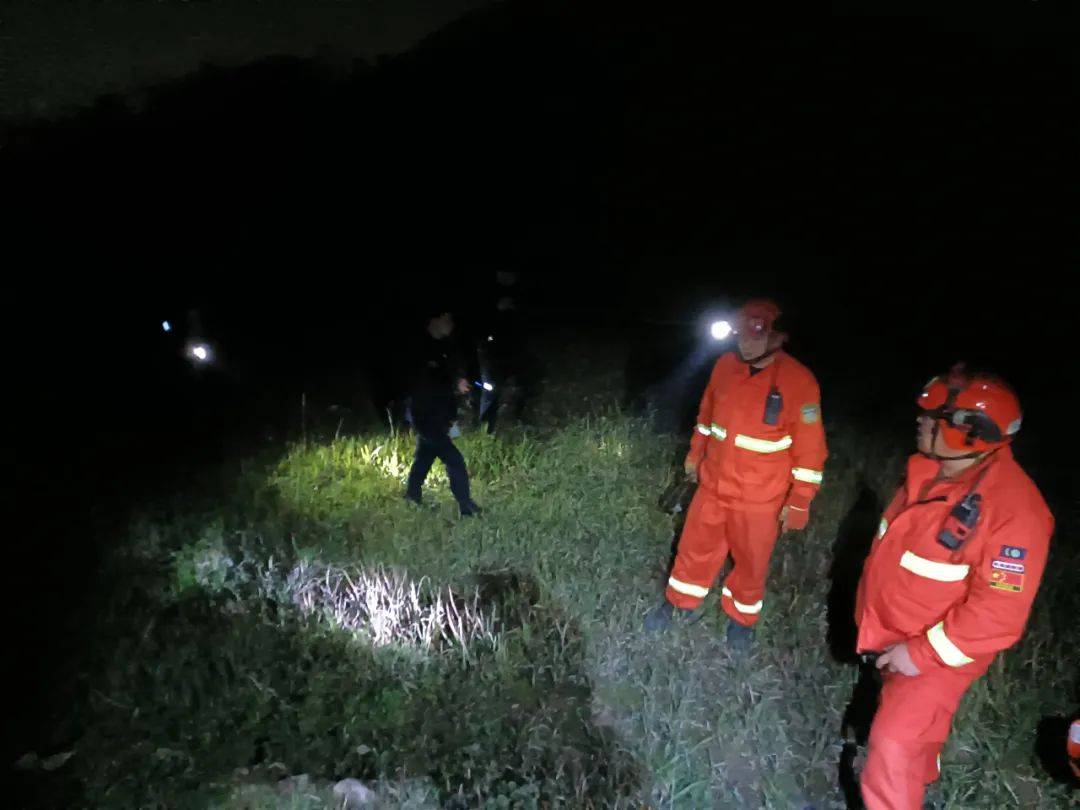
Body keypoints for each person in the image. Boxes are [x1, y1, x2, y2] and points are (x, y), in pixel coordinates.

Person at [854, 365, 1054, 809]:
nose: (921, 421)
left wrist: (920, 653)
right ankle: (918, 778)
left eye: (933, 417)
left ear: (970, 433)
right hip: (899, 634)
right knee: (913, 739)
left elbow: (998, 615)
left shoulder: (1015, 512)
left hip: (940, 654)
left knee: (892, 747)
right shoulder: (931, 473)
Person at [644, 298, 827, 651]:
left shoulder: (798, 380)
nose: (744, 344)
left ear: (775, 337)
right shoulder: (725, 366)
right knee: (693, 549)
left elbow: (811, 449)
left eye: (753, 337)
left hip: (760, 497)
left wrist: (800, 500)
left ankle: (741, 620)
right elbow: (707, 416)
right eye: (740, 336)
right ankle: (677, 604)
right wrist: (695, 455)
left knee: (751, 563)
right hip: (714, 485)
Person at [404, 311, 482, 517]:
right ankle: (466, 505)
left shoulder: (444, 347)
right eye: (447, 319)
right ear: (434, 320)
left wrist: (458, 383)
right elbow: (424, 387)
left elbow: (447, 375)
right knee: (454, 460)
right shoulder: (419, 348)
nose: (451, 324)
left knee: (424, 455)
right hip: (425, 415)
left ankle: (411, 494)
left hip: (440, 414)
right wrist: (454, 387)